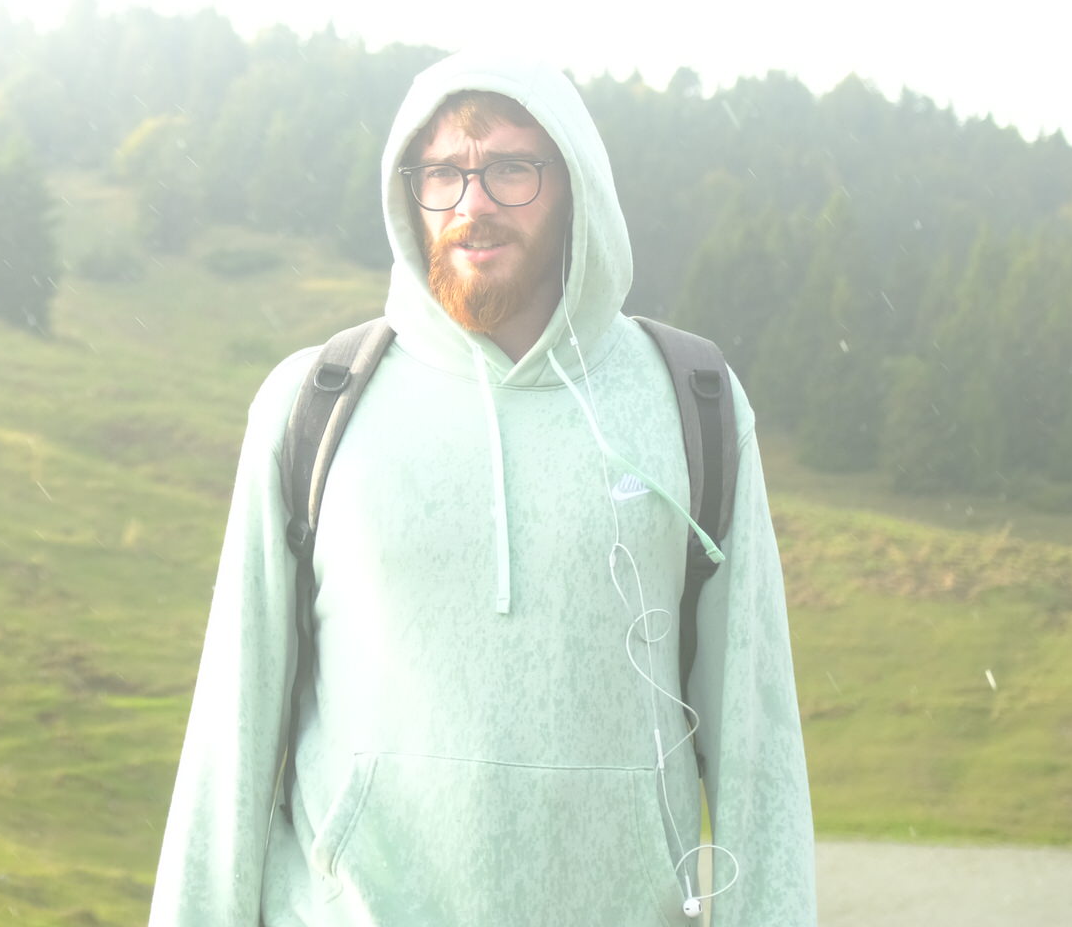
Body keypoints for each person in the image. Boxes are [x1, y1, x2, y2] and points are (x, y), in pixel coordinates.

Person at [151, 49, 815, 925]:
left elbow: (755, 744)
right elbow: (229, 735)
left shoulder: (694, 401)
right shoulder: (313, 405)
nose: (472, 204)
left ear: (575, 185)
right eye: (443, 173)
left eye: (511, 168)